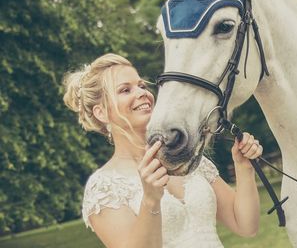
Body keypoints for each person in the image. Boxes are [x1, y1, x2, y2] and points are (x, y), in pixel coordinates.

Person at [63, 53, 262, 248]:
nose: (142, 93)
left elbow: (245, 225)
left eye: (141, 85)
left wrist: (244, 168)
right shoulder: (103, 188)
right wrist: (150, 200)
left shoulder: (187, 156)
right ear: (101, 112)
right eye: (125, 90)